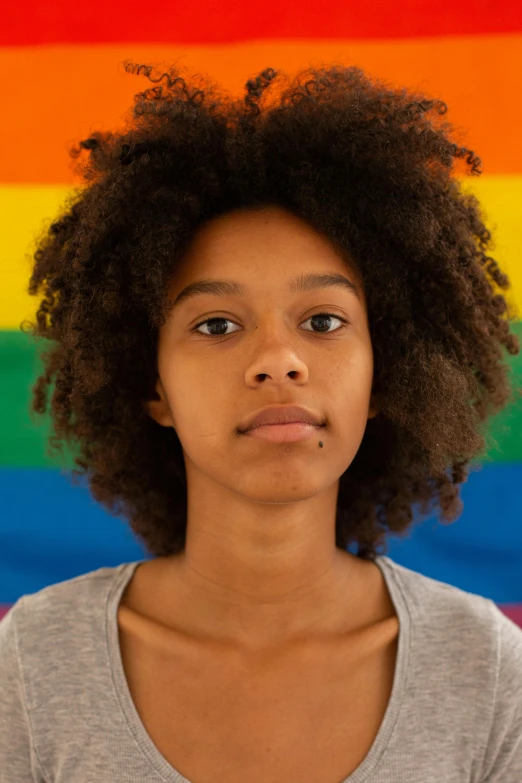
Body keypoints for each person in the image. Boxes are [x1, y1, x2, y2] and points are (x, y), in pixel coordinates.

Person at [1, 61, 521, 782]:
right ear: (152, 384)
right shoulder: (33, 662)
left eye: (324, 320)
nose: (278, 360)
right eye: (216, 324)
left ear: (385, 372)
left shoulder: (489, 670)